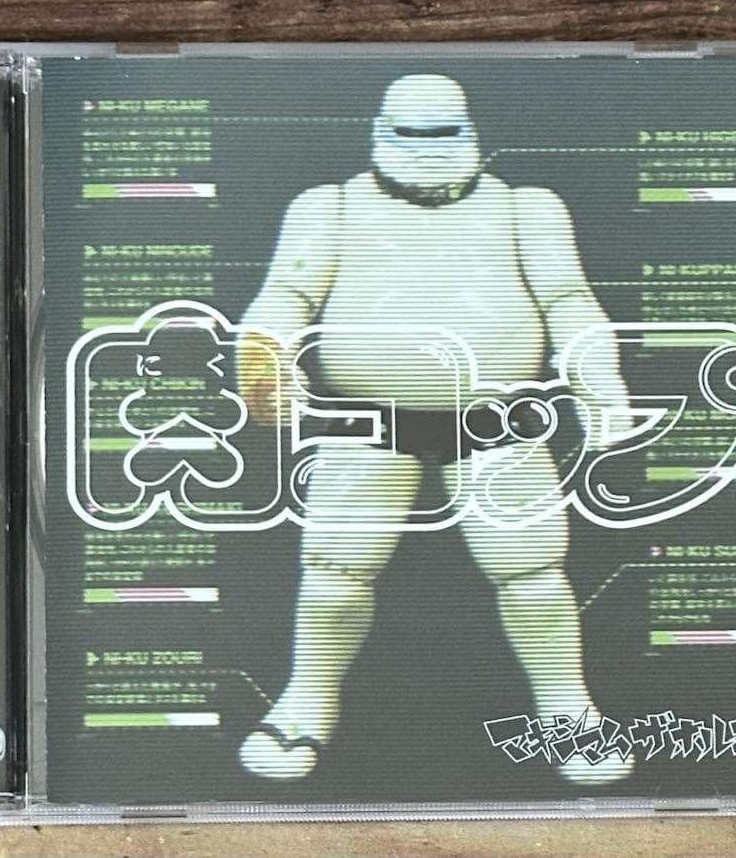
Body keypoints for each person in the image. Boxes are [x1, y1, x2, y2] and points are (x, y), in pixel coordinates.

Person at [236, 73, 633, 783]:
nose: (426, 150)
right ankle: (305, 702)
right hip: (363, 419)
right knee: (332, 574)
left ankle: (567, 711)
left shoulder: (525, 208)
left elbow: (571, 300)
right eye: (411, 135)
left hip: (495, 418)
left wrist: (598, 382)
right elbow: (283, 296)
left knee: (534, 574)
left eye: (442, 133)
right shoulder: (330, 207)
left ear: (470, 131)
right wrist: (265, 360)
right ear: (381, 132)